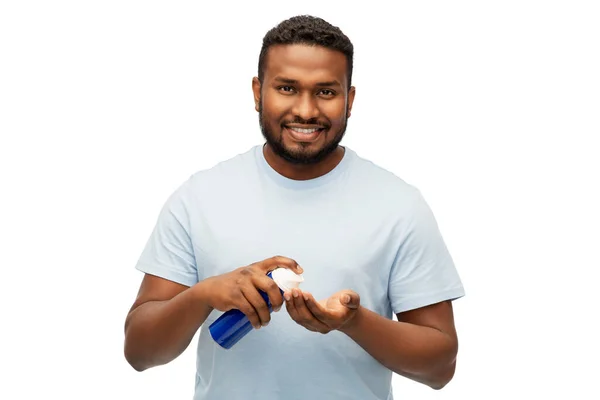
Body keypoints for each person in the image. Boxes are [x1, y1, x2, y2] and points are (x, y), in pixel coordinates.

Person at [124, 14, 465, 400]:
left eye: (326, 92)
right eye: (286, 88)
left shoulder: (399, 206)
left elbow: (440, 368)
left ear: (350, 100)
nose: (305, 110)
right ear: (257, 92)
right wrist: (203, 295)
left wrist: (353, 322)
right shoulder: (199, 197)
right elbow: (139, 352)